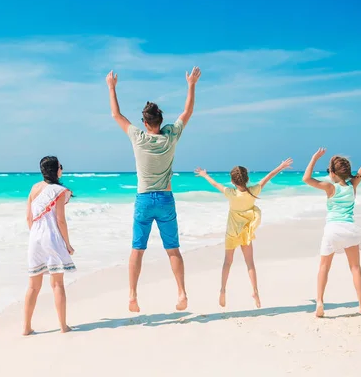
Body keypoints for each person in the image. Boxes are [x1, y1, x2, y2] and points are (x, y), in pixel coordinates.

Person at [106, 66, 201, 312]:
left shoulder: (138, 137)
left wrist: (111, 87)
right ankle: (181, 293)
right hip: (166, 199)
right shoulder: (170, 136)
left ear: (145, 122)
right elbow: (187, 111)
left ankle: (132, 296)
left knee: (137, 249)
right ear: (160, 121)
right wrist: (191, 84)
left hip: (144, 200)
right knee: (173, 249)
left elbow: (116, 115)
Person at [302, 129, 361, 317]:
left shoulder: (330, 187)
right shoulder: (353, 184)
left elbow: (306, 178)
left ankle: (319, 302)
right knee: (355, 267)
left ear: (332, 173)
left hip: (332, 230)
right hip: (349, 230)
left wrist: (314, 158)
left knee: (323, 267)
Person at [195, 159, 293, 308]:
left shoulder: (230, 193)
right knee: (250, 263)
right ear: (247, 179)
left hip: (232, 233)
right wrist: (281, 166)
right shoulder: (254, 191)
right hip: (246, 232)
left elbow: (215, 184)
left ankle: (222, 289)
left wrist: (204, 174)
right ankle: (255, 291)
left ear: (232, 181)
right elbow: (269, 176)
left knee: (228, 262)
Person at [23, 156, 76, 335]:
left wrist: (35, 235)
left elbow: (29, 218)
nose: (62, 168)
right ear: (56, 170)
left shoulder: (34, 188)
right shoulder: (59, 191)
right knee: (57, 284)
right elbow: (60, 220)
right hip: (51, 237)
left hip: (34, 237)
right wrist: (67, 244)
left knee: (33, 286)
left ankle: (26, 328)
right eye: (61, 166)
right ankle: (63, 326)